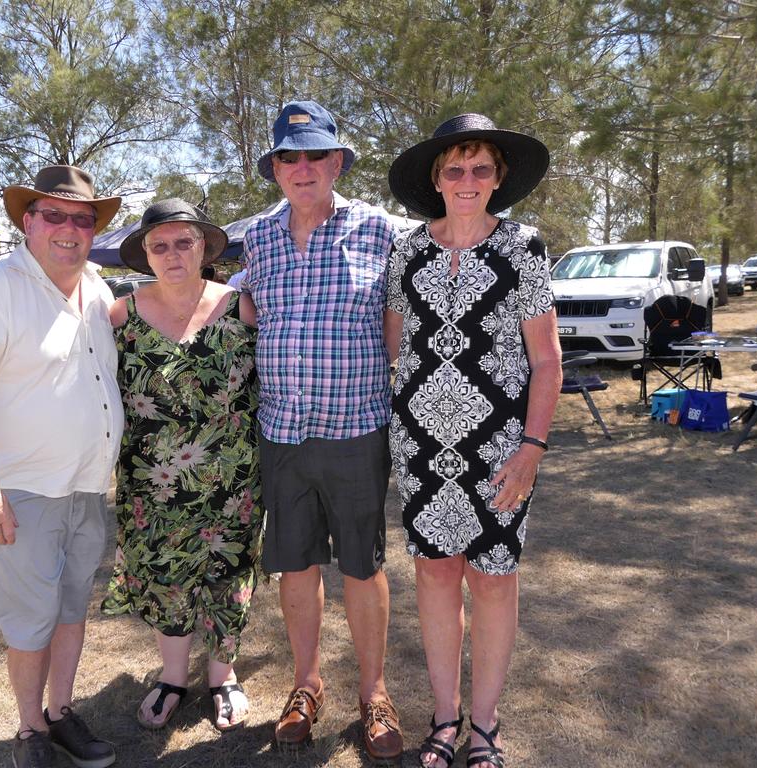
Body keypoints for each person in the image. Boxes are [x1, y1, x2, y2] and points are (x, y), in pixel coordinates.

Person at [0, 165, 123, 768]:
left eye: (82, 218)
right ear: (28, 221)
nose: (69, 227)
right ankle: (29, 729)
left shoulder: (97, 287)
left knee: (69, 610)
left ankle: (61, 713)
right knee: (30, 621)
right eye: (54, 215)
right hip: (18, 490)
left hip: (86, 486)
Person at [384, 114, 561, 768]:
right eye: (454, 169)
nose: (466, 179)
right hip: (424, 451)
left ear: (499, 178)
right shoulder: (407, 251)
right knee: (434, 575)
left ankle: (483, 724)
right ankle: (444, 717)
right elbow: (395, 345)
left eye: (480, 168)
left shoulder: (524, 249)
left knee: (492, 581)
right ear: (436, 179)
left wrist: (533, 446)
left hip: (502, 451)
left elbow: (547, 361)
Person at [239, 100, 403, 763]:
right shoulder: (254, 239)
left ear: (337, 161)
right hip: (280, 432)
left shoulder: (383, 232)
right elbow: (223, 301)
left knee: (362, 566)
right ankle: (306, 686)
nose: (302, 168)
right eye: (289, 157)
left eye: (315, 156)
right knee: (295, 566)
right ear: (275, 168)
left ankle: (375, 693)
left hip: (357, 430)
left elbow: (402, 333)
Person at [101, 199, 263, 733]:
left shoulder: (242, 306)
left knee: (229, 574)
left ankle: (223, 677)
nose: (172, 253)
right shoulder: (119, 314)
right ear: (145, 253)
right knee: (167, 577)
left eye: (184, 242)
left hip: (233, 478)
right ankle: (172, 678)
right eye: (159, 245)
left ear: (204, 247)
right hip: (153, 482)